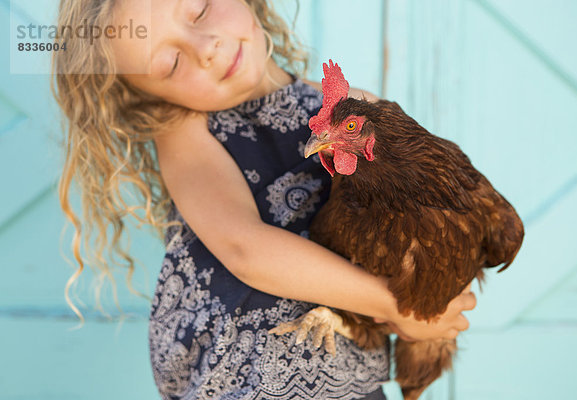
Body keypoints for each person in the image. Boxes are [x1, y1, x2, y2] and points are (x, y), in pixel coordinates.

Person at [51, 0, 477, 399]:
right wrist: (401, 306)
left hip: (341, 369)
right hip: (248, 373)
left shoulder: (356, 114)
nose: (206, 50)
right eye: (171, 63)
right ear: (147, 98)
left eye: (199, 10)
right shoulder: (185, 130)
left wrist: (432, 297)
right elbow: (244, 247)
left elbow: (426, 217)